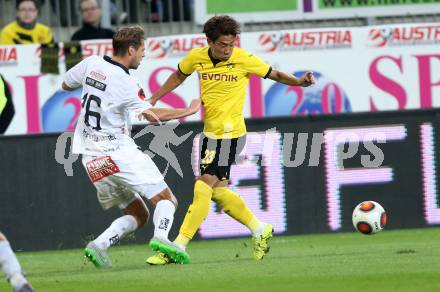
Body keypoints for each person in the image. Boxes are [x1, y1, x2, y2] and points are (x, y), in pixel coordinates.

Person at [146, 15, 315, 265]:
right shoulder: (197, 57)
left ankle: (178, 245)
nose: (227, 49)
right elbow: (179, 75)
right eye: (222, 45)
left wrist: (300, 82)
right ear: (209, 42)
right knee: (217, 192)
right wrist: (155, 98)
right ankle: (260, 229)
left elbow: (275, 74)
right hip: (211, 134)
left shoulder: (243, 59)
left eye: (231, 44)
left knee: (202, 185)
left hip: (232, 134)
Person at [62, 25, 201, 268]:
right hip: (117, 151)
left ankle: (99, 245)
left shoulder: (91, 63)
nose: (144, 55)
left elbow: (65, 85)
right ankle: (162, 238)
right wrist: (187, 111)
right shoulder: (126, 81)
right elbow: (151, 116)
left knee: (139, 214)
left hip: (90, 160)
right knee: (166, 199)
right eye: (142, 50)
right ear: (131, 49)